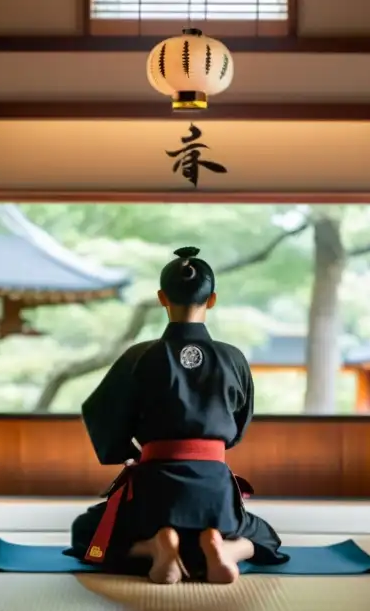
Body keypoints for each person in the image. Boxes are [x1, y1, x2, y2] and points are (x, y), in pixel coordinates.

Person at [65, 246, 288, 584]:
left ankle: (156, 547)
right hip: (215, 491)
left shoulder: (140, 356)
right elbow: (239, 426)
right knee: (264, 536)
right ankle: (225, 550)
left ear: (161, 297)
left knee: (87, 534)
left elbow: (99, 411)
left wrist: (129, 453)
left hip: (152, 489)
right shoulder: (233, 358)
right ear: (211, 300)